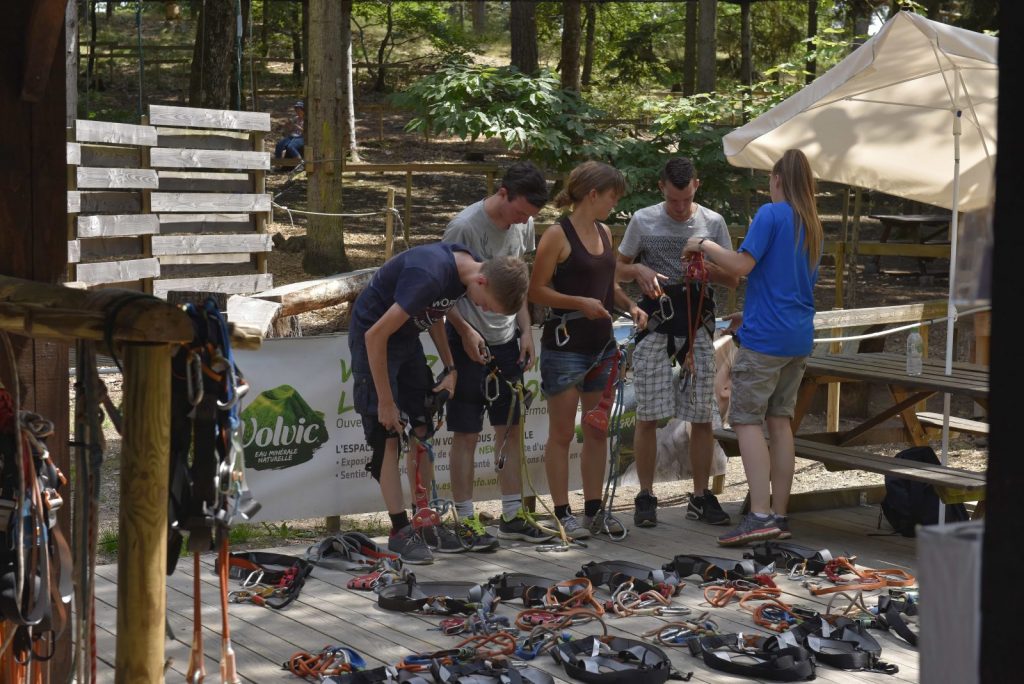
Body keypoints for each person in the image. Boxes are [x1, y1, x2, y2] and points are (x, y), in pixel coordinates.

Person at [348, 243, 529, 564]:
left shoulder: (465, 270)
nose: (483, 311)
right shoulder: (430, 273)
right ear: (483, 282)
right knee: (386, 436)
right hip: (375, 339)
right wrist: (386, 404)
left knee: (423, 425)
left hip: (404, 338)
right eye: (487, 306)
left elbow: (434, 312)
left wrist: (451, 367)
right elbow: (374, 336)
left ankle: (426, 518)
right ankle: (400, 529)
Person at [682, 148, 823, 546]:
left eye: (770, 180)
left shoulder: (771, 213)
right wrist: (751, 311)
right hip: (797, 336)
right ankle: (778, 514)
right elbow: (786, 280)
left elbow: (740, 266)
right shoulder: (812, 223)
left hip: (766, 340)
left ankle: (758, 514)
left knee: (746, 421)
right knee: (780, 423)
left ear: (777, 180)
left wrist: (703, 245)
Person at [617, 157, 738, 529]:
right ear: (661, 189)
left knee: (702, 416)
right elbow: (616, 269)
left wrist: (705, 269)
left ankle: (701, 497)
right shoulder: (642, 220)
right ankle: (646, 495)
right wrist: (638, 269)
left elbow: (734, 277)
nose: (681, 208)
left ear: (696, 186)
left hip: (699, 324)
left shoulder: (713, 223)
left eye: (686, 200)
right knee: (650, 415)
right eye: (673, 201)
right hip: (656, 324)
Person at [441, 162, 555, 548]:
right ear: (502, 193)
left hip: (507, 340)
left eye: (529, 216)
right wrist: (465, 330)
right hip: (466, 339)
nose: (522, 221)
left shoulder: (523, 225)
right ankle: (467, 519)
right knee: (466, 432)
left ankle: (512, 513)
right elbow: (441, 294)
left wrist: (525, 331)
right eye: (519, 211)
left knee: (511, 426)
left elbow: (517, 283)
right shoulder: (465, 227)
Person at [527, 161, 638, 540]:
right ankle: (562, 512)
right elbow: (536, 290)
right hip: (565, 346)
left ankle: (594, 509)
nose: (614, 205)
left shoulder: (606, 232)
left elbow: (606, 286)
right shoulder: (557, 236)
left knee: (597, 430)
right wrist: (579, 303)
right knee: (562, 433)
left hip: (602, 345)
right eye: (612, 197)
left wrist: (630, 305)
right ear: (593, 194)